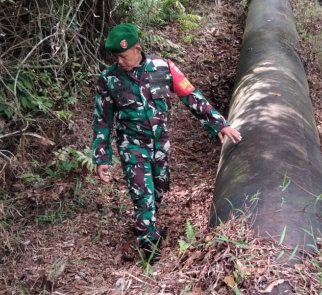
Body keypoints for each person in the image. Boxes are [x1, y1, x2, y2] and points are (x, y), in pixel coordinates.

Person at [91, 23, 242, 263]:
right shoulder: (108, 80)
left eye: (123, 55)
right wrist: (102, 158)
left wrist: (219, 124)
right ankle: (150, 250)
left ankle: (147, 223)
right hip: (132, 146)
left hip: (160, 144)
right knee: (143, 195)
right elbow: (102, 119)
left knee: (159, 187)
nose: (119, 61)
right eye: (116, 57)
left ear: (138, 48)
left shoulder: (164, 68)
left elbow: (191, 96)